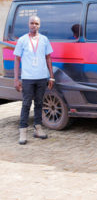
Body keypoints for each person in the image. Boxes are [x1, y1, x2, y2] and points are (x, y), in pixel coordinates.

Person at [14, 15, 55, 145]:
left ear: (39, 25)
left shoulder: (44, 39)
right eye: (32, 23)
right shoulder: (22, 40)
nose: (34, 26)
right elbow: (16, 59)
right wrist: (16, 79)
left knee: (39, 103)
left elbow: (48, 58)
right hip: (27, 78)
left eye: (36, 23)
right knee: (26, 104)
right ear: (28, 24)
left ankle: (38, 128)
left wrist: (51, 76)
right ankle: (23, 131)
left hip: (42, 77)